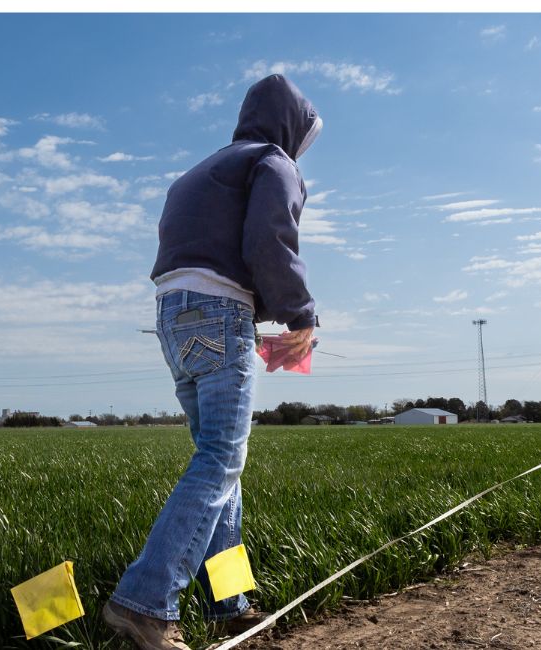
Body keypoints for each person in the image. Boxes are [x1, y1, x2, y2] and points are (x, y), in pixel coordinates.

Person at [104, 74, 322, 650]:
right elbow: (270, 238)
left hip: (173, 315)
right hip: (220, 311)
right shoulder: (273, 161)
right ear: (291, 127)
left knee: (222, 462)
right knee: (221, 460)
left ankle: (232, 603)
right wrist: (301, 315)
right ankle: (146, 602)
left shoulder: (201, 171)